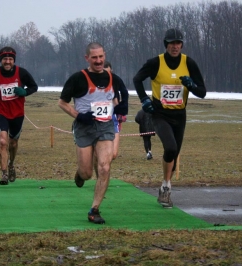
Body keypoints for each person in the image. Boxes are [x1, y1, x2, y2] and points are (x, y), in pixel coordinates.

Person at [133, 28, 206, 208]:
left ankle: (165, 184)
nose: (175, 46)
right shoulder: (155, 62)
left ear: (182, 45)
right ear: (166, 44)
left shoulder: (189, 63)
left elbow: (202, 92)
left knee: (173, 154)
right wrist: (144, 99)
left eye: (178, 43)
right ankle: (166, 188)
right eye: (172, 43)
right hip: (160, 113)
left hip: (179, 115)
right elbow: (137, 79)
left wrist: (191, 85)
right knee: (170, 147)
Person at [58, 42, 122, 224]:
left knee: (104, 166)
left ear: (104, 56)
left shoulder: (113, 78)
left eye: (101, 56)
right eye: (94, 57)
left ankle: (94, 209)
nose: (98, 60)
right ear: (87, 58)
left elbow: (115, 99)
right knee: (87, 173)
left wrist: (118, 109)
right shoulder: (77, 78)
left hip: (105, 127)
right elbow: (62, 103)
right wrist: (79, 115)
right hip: (84, 127)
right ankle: (79, 174)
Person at [0, 46, 38, 185]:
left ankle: (11, 164)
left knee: (13, 143)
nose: (7, 62)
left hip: (17, 113)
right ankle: (4, 174)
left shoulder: (22, 73)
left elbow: (34, 86)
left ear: (14, 60)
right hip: (1, 111)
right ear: (1, 60)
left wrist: (24, 92)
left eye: (10, 59)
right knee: (2, 141)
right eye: (5, 59)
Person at [103, 61, 129, 159]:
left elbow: (125, 93)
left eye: (108, 73)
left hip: (113, 112)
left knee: (113, 155)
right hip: (97, 116)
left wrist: (121, 108)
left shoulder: (116, 79)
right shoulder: (93, 79)